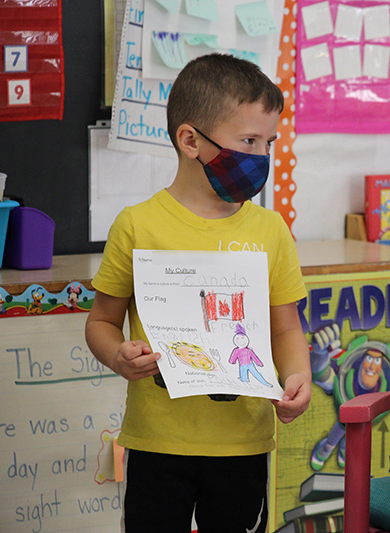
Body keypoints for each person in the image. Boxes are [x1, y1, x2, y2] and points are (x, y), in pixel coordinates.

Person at [85, 54, 311, 533]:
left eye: (268, 142)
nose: (262, 157)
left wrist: (297, 377)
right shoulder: (137, 225)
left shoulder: (271, 231)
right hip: (156, 442)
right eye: (248, 141)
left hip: (243, 443)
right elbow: (101, 322)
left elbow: (286, 326)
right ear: (190, 140)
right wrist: (117, 356)